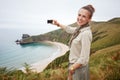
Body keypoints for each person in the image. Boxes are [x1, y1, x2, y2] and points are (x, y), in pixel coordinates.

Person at [50, 4, 95, 80]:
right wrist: (58, 24)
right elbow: (70, 29)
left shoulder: (85, 34)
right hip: (75, 66)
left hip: (78, 68)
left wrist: (72, 68)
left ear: (89, 19)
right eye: (79, 15)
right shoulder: (80, 29)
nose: (80, 18)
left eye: (84, 16)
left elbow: (84, 58)